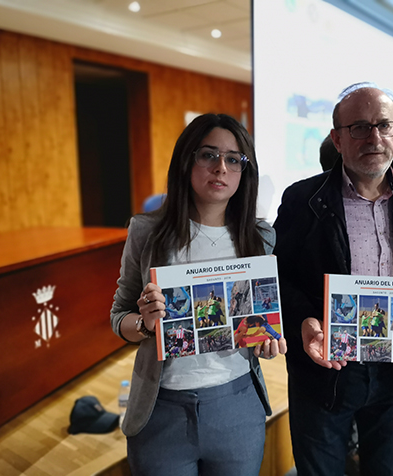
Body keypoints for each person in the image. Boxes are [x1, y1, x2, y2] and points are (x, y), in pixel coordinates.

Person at [273, 82, 393, 476]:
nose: (374, 138)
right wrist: (305, 320)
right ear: (337, 139)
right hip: (326, 372)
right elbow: (280, 277)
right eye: (359, 127)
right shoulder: (302, 200)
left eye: (384, 125)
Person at [110, 113, 287, 476]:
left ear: (245, 170)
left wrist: (267, 342)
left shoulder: (261, 237)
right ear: (186, 161)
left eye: (234, 159)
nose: (221, 168)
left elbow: (261, 321)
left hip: (237, 405)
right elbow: (119, 316)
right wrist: (144, 324)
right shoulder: (146, 232)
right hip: (161, 409)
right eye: (208, 155)